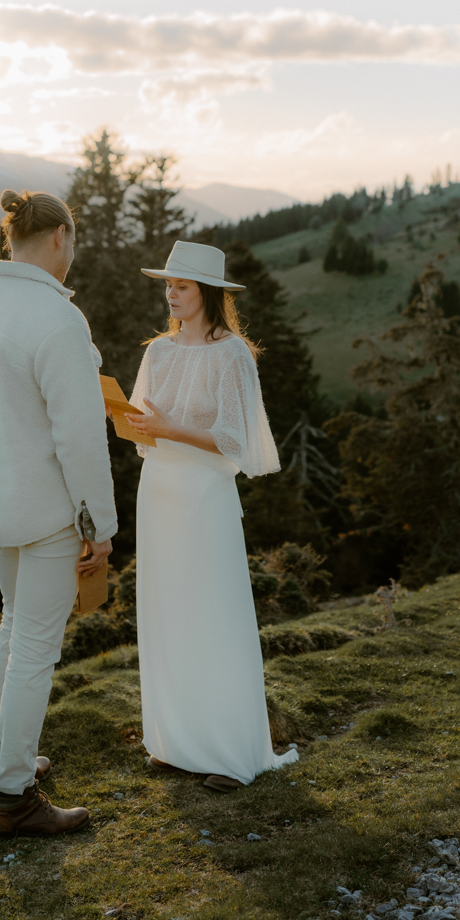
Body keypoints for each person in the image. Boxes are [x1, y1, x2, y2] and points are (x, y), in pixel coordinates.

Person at [0, 188, 116, 837]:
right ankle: (13, 796)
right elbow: (77, 436)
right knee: (36, 644)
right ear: (60, 238)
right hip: (44, 510)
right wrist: (98, 527)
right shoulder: (56, 319)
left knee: (15, 628)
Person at [125, 240, 299, 791]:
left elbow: (234, 441)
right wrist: (128, 419)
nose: (171, 295)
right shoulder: (157, 353)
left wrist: (167, 428)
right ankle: (175, 742)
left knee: (213, 612)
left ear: (207, 293)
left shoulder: (233, 355)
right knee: (169, 610)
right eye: (168, 286)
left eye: (181, 286)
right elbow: (141, 428)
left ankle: (227, 753)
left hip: (205, 496)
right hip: (159, 493)